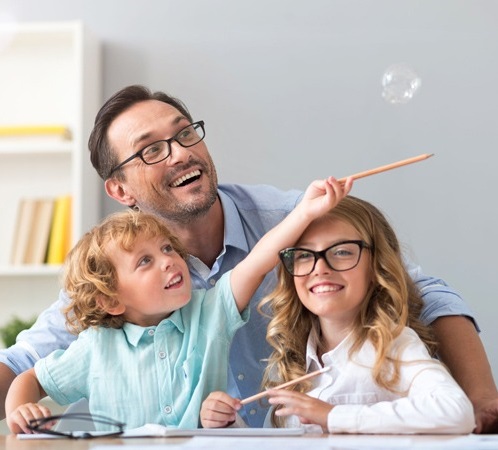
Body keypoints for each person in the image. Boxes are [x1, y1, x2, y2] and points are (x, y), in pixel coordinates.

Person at [0, 85, 496, 432]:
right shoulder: (113, 275)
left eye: (185, 134)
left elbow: (426, 297)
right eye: (150, 151)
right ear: (119, 189)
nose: (178, 153)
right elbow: (25, 363)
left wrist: (481, 402)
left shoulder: (297, 222)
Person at [5, 175, 351, 433]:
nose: (169, 261)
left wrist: (304, 213)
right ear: (110, 300)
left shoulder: (211, 312)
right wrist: (20, 409)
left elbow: (260, 259)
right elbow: (32, 378)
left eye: (167, 249)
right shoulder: (94, 347)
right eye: (145, 261)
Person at [200, 195, 476, 434]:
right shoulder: (291, 362)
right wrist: (229, 423)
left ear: (377, 265)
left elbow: (456, 411)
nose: (320, 268)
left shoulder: (394, 345)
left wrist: (333, 416)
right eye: (305, 255)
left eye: (342, 252)